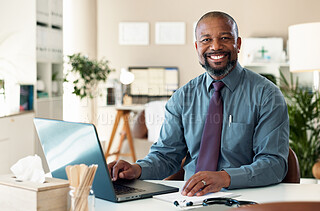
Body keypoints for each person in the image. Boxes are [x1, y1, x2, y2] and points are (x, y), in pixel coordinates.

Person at [108, 11, 289, 197]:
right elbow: (166, 156)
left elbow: (274, 164)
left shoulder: (267, 95)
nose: (216, 46)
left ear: (238, 44)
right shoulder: (182, 97)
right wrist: (136, 169)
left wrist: (226, 177)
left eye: (225, 38)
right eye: (206, 40)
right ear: (197, 47)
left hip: (246, 197)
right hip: (189, 198)